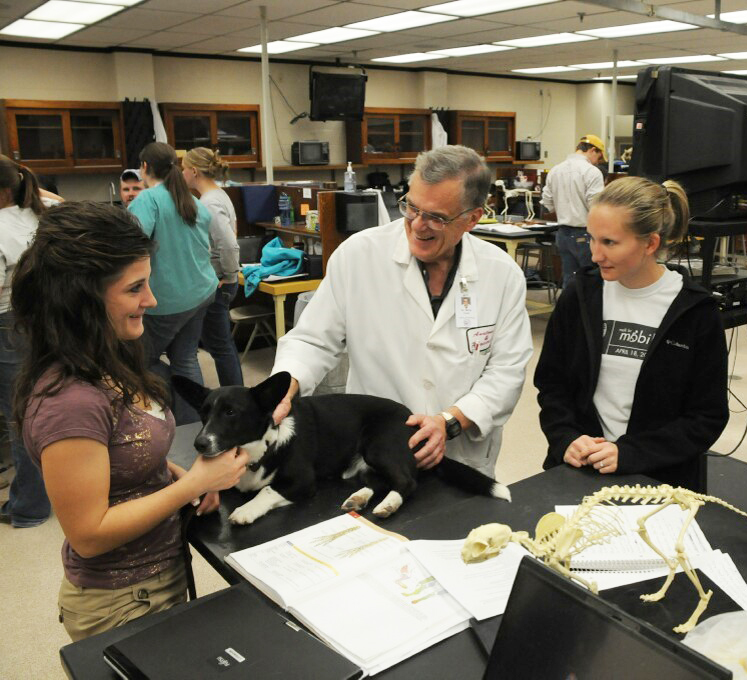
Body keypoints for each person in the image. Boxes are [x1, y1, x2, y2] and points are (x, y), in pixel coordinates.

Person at [12, 201, 250, 641]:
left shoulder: (107, 360)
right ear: (83, 299)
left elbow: (126, 455)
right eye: (135, 288)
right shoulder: (70, 402)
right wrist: (192, 485)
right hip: (121, 602)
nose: (151, 300)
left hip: (159, 579)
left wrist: (172, 477)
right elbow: (88, 534)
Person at [271, 145, 533, 478]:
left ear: (472, 218)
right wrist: (285, 387)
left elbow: (506, 371)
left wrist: (450, 421)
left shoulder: (501, 274)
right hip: (373, 451)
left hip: (462, 456)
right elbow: (312, 340)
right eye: (411, 207)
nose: (417, 225)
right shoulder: (359, 256)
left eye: (436, 217)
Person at [534, 176, 728, 491]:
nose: (595, 255)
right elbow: (552, 384)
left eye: (609, 242)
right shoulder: (581, 295)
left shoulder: (696, 312)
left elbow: (706, 417)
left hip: (661, 482)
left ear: (650, 243)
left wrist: (631, 454)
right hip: (579, 473)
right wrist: (566, 438)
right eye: (592, 239)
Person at [128, 142, 218, 424]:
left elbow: (130, 245)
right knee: (186, 359)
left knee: (136, 362)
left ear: (144, 167)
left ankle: (164, 419)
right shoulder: (191, 200)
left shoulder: (147, 200)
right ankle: (192, 427)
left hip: (168, 301)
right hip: (201, 293)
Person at [0, 155, 53, 527]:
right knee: (39, 404)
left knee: (19, 414)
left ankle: (29, 505)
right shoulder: (40, 212)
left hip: (8, 323)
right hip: (43, 318)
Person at [182, 147, 243, 387]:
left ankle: (236, 397)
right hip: (219, 279)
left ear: (194, 171)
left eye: (184, 168)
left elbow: (228, 243)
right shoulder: (218, 196)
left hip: (219, 281)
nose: (182, 173)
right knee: (220, 344)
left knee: (220, 346)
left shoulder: (208, 203)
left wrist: (229, 275)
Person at [541, 134, 606, 287]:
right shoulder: (592, 172)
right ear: (592, 150)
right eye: (599, 157)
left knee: (570, 281)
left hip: (562, 234)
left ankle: (569, 311)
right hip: (585, 234)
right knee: (591, 281)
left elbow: (547, 204)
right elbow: (596, 206)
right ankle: (588, 311)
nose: (598, 162)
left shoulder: (555, 170)